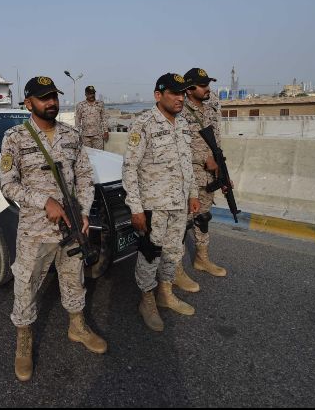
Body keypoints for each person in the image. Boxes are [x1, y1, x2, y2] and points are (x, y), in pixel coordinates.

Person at [0, 76, 107, 382]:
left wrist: (84, 212)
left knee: (74, 278)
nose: (52, 102)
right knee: (26, 283)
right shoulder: (15, 137)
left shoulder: (72, 135)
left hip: (72, 227)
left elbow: (85, 176)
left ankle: (77, 325)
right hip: (35, 230)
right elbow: (7, 184)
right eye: (44, 97)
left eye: (54, 97)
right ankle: (24, 340)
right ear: (28, 102)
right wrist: (42, 200)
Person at [122, 73, 201, 332]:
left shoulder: (182, 123)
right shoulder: (143, 124)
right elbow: (129, 169)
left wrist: (193, 194)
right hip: (153, 206)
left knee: (173, 252)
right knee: (150, 254)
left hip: (178, 203)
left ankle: (165, 294)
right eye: (175, 93)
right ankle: (147, 300)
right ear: (159, 95)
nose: (181, 98)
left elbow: (186, 163)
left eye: (183, 93)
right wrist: (135, 208)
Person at [181, 67, 228, 278]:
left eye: (208, 84)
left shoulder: (210, 110)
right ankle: (175, 270)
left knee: (203, 218)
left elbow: (216, 145)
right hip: (187, 178)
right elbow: (176, 148)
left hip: (209, 177)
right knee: (181, 224)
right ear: (189, 89)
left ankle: (202, 259)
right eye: (203, 85)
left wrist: (224, 174)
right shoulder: (180, 111)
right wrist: (202, 159)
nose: (208, 88)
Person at [74, 85, 109, 150]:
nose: (92, 95)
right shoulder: (80, 105)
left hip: (98, 135)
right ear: (86, 94)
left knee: (99, 155)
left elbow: (104, 118)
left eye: (93, 93)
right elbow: (77, 120)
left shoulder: (100, 104)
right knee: (87, 156)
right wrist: (78, 134)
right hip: (85, 136)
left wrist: (106, 131)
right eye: (90, 94)